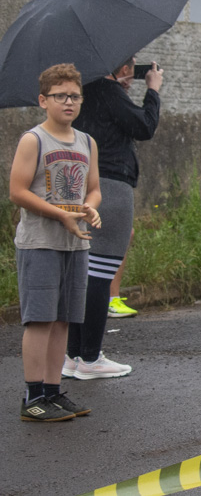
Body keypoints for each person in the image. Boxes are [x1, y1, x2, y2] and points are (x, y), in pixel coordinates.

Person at [10, 63, 102, 421]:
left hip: (76, 243)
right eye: (60, 96)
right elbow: (17, 191)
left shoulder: (87, 142)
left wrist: (90, 209)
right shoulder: (33, 140)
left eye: (75, 96)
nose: (69, 102)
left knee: (64, 320)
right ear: (43, 100)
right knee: (40, 320)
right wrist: (59, 214)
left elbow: (93, 189)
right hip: (40, 242)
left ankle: (52, 391)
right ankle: (32, 397)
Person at [64, 57, 162, 379]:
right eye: (131, 65)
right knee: (101, 272)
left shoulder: (82, 93)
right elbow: (144, 126)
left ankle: (73, 355)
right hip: (110, 187)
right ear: (120, 66)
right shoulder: (107, 90)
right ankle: (91, 359)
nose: (133, 71)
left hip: (79, 184)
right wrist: (153, 90)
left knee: (82, 272)